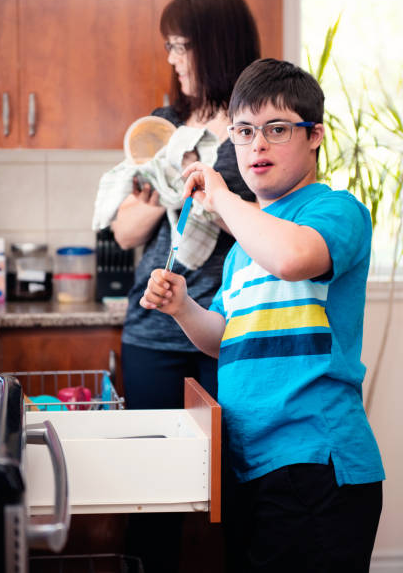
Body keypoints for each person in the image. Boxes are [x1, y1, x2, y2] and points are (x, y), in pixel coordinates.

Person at [140, 58, 385, 573]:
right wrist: (182, 306)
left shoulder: (336, 211)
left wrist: (223, 198)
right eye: (244, 132)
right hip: (251, 465)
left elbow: (293, 258)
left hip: (318, 464)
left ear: (314, 135)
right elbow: (224, 337)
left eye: (277, 130)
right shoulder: (241, 250)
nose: (257, 146)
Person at [111, 0, 260, 573]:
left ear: (214, 44)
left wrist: (210, 184)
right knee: (152, 495)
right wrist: (173, 184)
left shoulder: (255, 127)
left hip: (230, 328)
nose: (172, 58)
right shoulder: (161, 128)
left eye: (180, 45)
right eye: (169, 46)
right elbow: (124, 231)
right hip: (152, 334)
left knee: (237, 488)